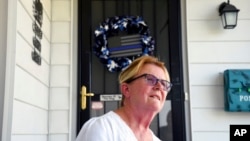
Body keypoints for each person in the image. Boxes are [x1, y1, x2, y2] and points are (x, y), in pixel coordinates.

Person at [76, 56, 173, 141]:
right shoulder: (102, 128)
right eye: (150, 79)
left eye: (164, 83)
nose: (159, 87)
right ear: (126, 89)